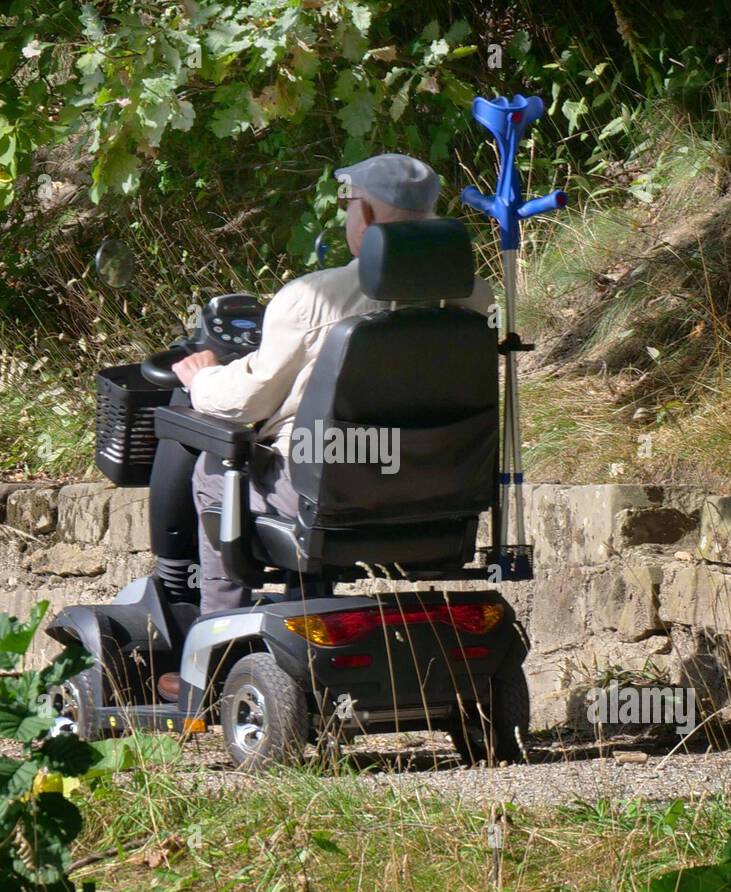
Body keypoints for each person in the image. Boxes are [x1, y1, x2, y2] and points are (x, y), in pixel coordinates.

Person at [174, 153, 495, 613]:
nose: (345, 213)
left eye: (347, 202)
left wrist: (202, 378)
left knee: (212, 469)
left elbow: (247, 401)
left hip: (328, 496)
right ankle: (306, 603)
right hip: (443, 498)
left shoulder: (312, 299)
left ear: (364, 215)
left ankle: (216, 637)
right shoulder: (479, 300)